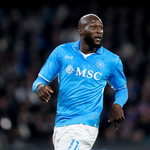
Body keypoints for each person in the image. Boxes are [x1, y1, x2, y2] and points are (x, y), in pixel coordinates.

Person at [32, 14, 128, 150]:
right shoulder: (62, 52)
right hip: (61, 126)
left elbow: (121, 89)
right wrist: (40, 87)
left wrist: (118, 105)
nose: (99, 31)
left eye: (101, 28)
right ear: (81, 30)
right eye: (94, 27)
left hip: (85, 126)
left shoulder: (111, 60)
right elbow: (38, 81)